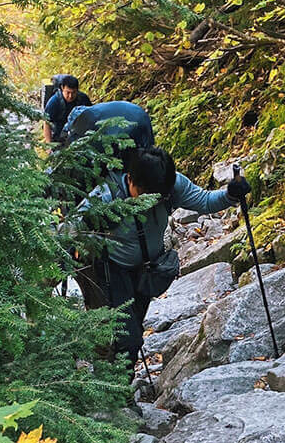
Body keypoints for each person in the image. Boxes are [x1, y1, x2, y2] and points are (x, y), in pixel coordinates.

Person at [73, 146, 251, 365]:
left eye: (158, 198)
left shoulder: (170, 184)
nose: (152, 202)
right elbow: (71, 228)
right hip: (110, 270)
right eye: (146, 196)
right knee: (126, 339)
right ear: (129, 179)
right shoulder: (106, 195)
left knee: (133, 331)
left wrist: (231, 194)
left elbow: (204, 201)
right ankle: (115, 393)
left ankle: (116, 385)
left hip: (146, 269)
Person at [43, 75, 91, 144]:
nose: (70, 96)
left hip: (77, 131)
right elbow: (46, 123)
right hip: (59, 132)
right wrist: (49, 144)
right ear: (62, 88)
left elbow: (91, 115)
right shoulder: (54, 102)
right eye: (68, 92)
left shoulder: (83, 98)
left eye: (73, 92)